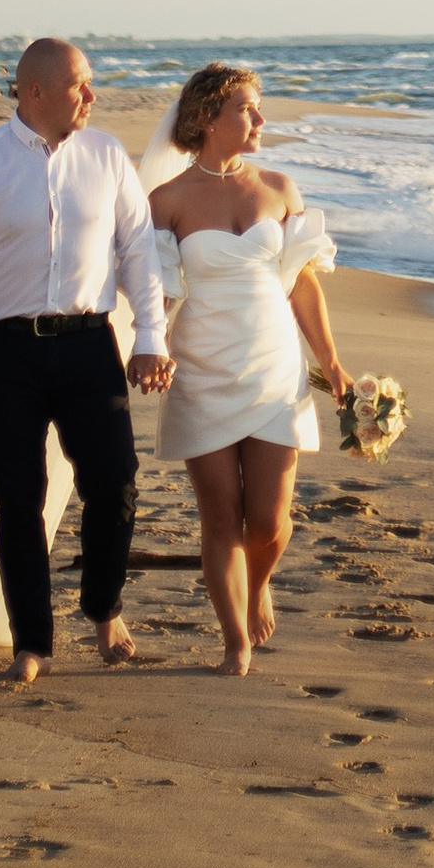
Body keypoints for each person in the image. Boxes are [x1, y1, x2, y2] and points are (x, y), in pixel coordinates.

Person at [0, 36, 171, 688]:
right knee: (19, 498)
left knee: (114, 483)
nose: (92, 94)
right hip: (6, 353)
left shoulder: (108, 156)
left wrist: (151, 338)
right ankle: (32, 642)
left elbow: (139, 253)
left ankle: (103, 608)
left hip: (91, 344)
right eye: (79, 84)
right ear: (35, 93)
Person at [141, 63, 349, 675]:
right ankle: (233, 639)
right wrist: (152, 346)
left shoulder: (280, 189)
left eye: (258, 108)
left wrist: (331, 363)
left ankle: (258, 583)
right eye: (247, 109)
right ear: (208, 118)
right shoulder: (167, 201)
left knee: (270, 521)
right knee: (220, 516)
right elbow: (160, 294)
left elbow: (302, 284)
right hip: (200, 370)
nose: (260, 119)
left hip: (274, 366)